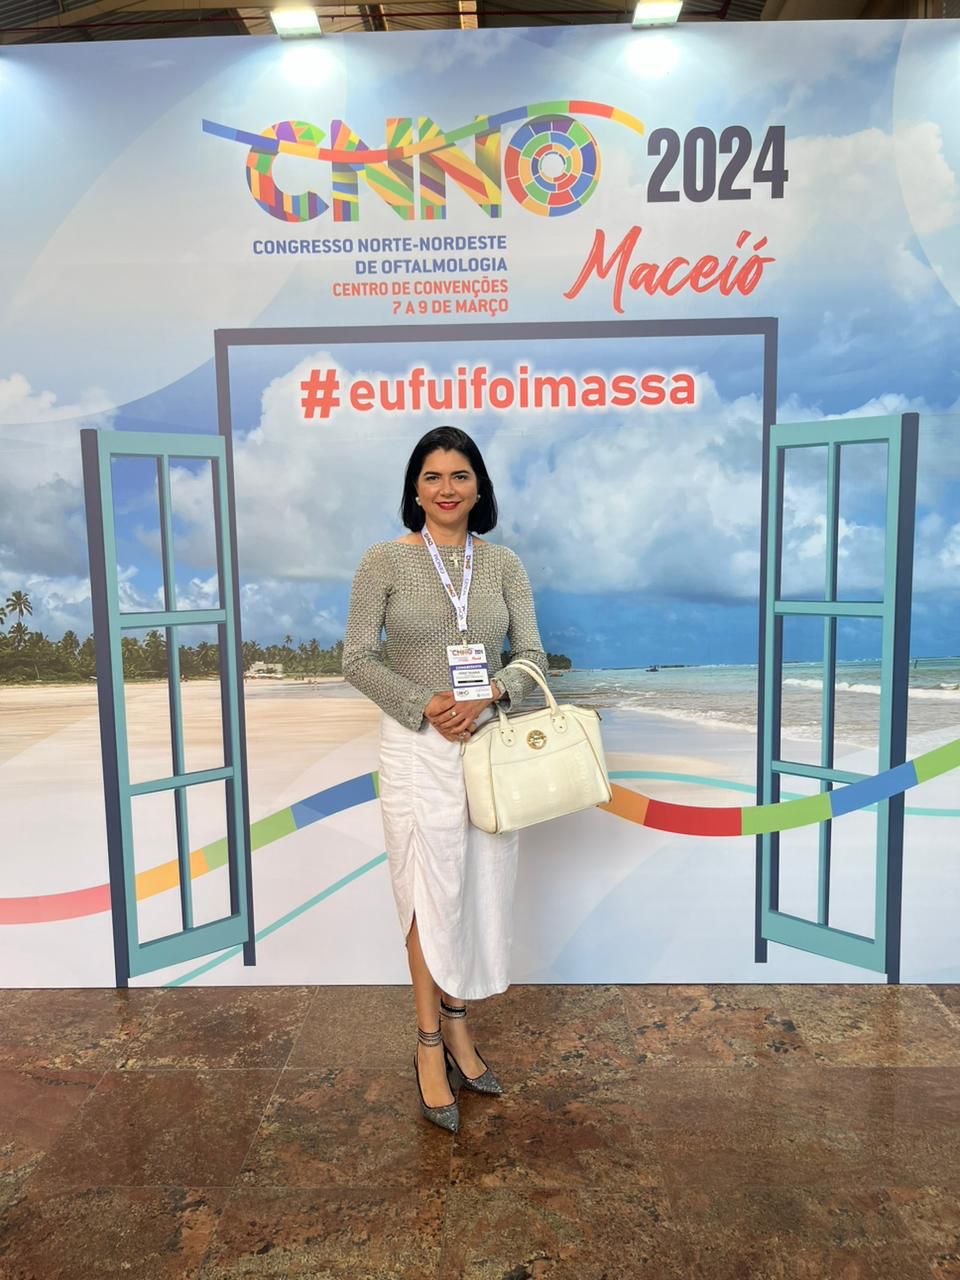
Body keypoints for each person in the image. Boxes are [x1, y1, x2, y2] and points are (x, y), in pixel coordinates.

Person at [342, 425, 547, 1133]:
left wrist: (487, 694)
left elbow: (532, 657)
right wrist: (425, 703)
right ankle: (428, 1043)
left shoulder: (503, 564)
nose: (447, 488)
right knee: (425, 892)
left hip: (486, 747)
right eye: (432, 476)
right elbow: (356, 658)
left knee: (479, 888)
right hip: (414, 747)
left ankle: (459, 1025)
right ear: (415, 488)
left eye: (460, 475)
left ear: (479, 486)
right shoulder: (384, 561)